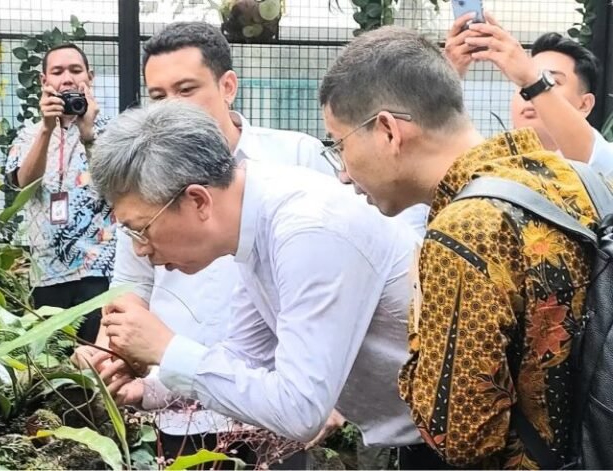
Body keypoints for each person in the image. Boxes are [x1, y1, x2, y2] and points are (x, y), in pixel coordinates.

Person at [73, 21, 353, 467]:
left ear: (227, 86)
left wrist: (333, 396)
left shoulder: (295, 161)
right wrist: (116, 350)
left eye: (186, 90)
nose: (171, 108)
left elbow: (338, 286)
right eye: (158, 96)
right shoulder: (142, 181)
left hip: (273, 400)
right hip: (181, 398)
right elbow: (130, 287)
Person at [319, 26, 601, 468]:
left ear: (389, 131)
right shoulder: (570, 178)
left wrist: (419, 337)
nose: (344, 172)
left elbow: (461, 437)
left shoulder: (463, 232)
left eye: (339, 144)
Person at [86, 100, 422, 453]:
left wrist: (166, 348)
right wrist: (148, 390)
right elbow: (246, 354)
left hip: (455, 441)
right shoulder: (256, 216)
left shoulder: (306, 231)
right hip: (421, 430)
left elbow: (300, 410)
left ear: (198, 201)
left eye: (141, 230)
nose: (141, 251)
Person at [6, 43, 115, 342]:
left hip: (101, 269)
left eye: (75, 70)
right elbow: (24, 189)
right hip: (47, 272)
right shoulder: (28, 135)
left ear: (89, 77)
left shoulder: (115, 131)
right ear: (44, 81)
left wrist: (89, 135)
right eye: (57, 71)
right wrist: (46, 129)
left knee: (100, 364)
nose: (66, 78)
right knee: (55, 372)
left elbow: (119, 190)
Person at [445, 12, 613, 176]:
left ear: (584, 105)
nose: (528, 95)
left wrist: (532, 81)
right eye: (520, 84)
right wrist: (445, 76)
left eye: (550, 80)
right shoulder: (483, 168)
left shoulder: (605, 166)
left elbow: (598, 160)